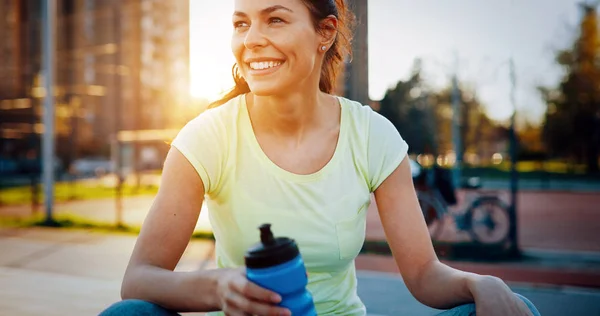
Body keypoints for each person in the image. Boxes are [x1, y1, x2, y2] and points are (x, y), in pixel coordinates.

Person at [100, 0, 540, 315]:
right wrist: (219, 287)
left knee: (513, 308)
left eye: (274, 19)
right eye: (241, 23)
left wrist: (479, 283)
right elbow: (139, 279)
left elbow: (425, 274)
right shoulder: (206, 137)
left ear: (324, 33)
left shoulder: (371, 134)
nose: (252, 40)